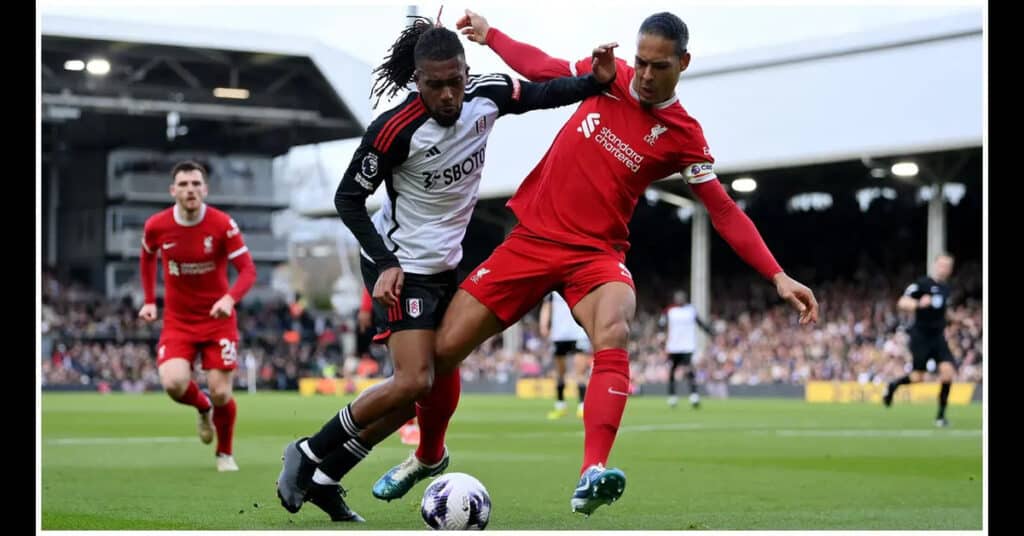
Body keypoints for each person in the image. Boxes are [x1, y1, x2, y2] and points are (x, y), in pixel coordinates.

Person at [369, 9, 820, 517]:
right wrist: (491, 35)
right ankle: (429, 455)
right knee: (441, 355)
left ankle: (591, 472)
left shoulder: (684, 136)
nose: (646, 76)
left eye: (660, 67)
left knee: (614, 326)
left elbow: (722, 209)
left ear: (684, 63)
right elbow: (545, 68)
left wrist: (777, 275)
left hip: (596, 254)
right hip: (533, 238)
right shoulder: (612, 79)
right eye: (642, 63)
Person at [275, 16, 619, 522]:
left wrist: (596, 80)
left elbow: (546, 93)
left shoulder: (487, 95)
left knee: (427, 381)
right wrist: (387, 263)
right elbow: (348, 198)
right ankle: (307, 453)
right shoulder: (394, 130)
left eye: (456, 80)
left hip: (443, 268)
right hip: (399, 267)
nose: (449, 95)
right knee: (415, 380)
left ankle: (328, 478)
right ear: (418, 81)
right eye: (436, 85)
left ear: (465, 71)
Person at [137, 160, 256, 472]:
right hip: (178, 321)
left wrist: (230, 299)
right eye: (184, 184)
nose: (190, 189)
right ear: (173, 190)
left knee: (220, 391)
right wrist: (150, 300)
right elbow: (147, 256)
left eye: (195, 184)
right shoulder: (157, 226)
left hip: (218, 320)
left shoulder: (222, 224)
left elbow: (247, 270)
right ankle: (201, 408)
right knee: (174, 383)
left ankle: (224, 453)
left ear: (205, 189)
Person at [883, 253, 957, 427]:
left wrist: (960, 320)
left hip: (938, 337)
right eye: (942, 265)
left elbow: (944, 311)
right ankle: (893, 386)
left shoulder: (947, 289)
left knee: (948, 372)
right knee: (918, 377)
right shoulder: (922, 284)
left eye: (948, 266)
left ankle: (940, 416)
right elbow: (902, 302)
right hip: (921, 336)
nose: (944, 268)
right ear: (936, 265)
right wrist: (918, 304)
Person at [540, 291, 592, 419]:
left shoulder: (581, 283)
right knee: (560, 373)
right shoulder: (553, 290)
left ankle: (582, 407)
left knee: (580, 371)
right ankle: (560, 406)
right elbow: (547, 306)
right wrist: (544, 325)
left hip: (579, 333)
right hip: (559, 334)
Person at [661, 290, 713, 408]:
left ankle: (694, 396)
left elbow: (700, 323)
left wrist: (710, 331)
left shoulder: (691, 310)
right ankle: (672, 396)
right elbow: (662, 323)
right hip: (673, 346)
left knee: (689, 370)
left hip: (687, 346)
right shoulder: (670, 311)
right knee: (672, 371)